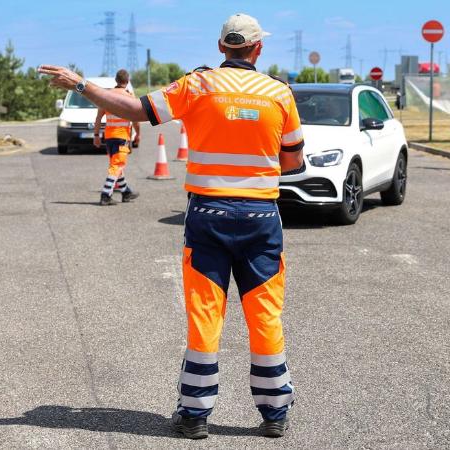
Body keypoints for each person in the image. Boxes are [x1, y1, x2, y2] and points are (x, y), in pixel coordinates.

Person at [39, 12, 304, 439]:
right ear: (258, 49)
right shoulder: (279, 93)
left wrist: (80, 83)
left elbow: (133, 109)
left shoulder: (197, 85)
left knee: (205, 316)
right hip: (261, 217)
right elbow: (293, 161)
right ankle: (274, 413)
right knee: (265, 315)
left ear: (221, 47)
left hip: (208, 216)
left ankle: (195, 414)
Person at [93, 69, 141, 205]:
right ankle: (105, 196)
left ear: (116, 80)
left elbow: (98, 118)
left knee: (116, 165)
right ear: (127, 81)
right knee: (117, 165)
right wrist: (138, 134)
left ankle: (126, 192)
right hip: (122, 137)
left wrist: (96, 135)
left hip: (109, 137)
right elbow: (136, 120)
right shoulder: (129, 97)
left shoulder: (106, 96)